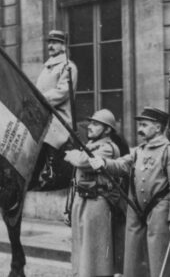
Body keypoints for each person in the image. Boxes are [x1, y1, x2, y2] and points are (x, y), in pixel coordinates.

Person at [89, 107, 170, 277]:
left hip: (160, 213)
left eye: (144, 125)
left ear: (158, 127)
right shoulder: (139, 151)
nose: (140, 129)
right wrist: (103, 163)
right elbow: (121, 164)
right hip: (136, 212)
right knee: (135, 262)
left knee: (161, 261)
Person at [64, 109, 126, 277]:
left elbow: (83, 162)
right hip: (82, 201)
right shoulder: (90, 146)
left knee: (95, 252)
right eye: (90, 123)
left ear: (107, 130)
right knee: (80, 247)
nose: (90, 127)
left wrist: (73, 154)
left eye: (96, 124)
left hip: (98, 202)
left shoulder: (107, 148)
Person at [35, 30, 78, 124]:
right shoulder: (46, 67)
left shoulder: (68, 67)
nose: (50, 46)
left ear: (63, 46)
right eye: (49, 43)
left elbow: (62, 92)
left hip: (59, 120)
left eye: (54, 43)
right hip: (43, 118)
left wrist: (37, 100)